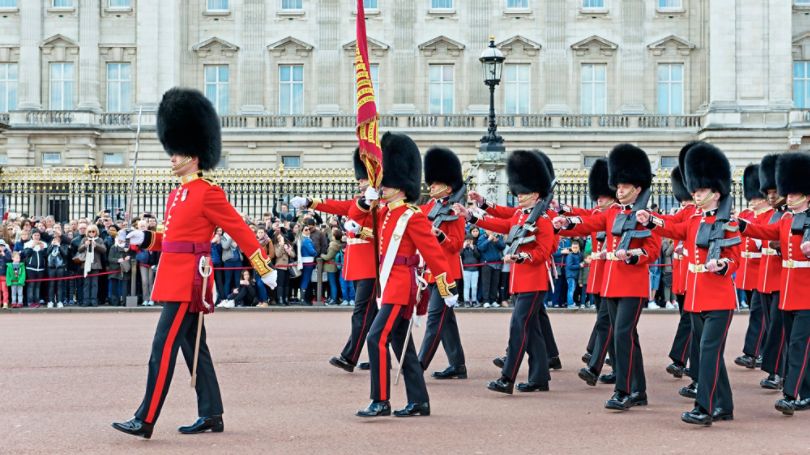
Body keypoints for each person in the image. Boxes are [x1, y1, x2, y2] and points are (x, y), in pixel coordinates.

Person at [112, 87, 277, 439]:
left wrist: (263, 265)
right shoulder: (178, 192)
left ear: (194, 155)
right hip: (174, 276)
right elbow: (172, 237)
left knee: (163, 347)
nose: (171, 157)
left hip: (189, 281)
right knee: (193, 347)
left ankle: (145, 418)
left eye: (177, 152)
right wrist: (146, 239)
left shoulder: (208, 191)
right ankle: (211, 413)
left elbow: (239, 229)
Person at [356, 132, 458, 418]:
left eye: (385, 181)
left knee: (375, 339)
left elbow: (434, 254)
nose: (381, 186)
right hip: (388, 285)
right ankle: (419, 401)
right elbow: (355, 216)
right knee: (403, 346)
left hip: (401, 287)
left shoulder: (412, 215)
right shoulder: (384, 212)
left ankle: (381, 400)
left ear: (400, 185)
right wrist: (366, 201)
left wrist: (446, 286)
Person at [638, 142, 739, 426]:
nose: (695, 194)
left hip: (719, 299)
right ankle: (725, 405)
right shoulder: (693, 218)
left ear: (716, 192)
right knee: (711, 355)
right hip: (695, 297)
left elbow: (735, 259)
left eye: (701, 190)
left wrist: (722, 265)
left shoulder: (727, 222)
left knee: (706, 354)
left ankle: (703, 408)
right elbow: (673, 228)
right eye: (694, 190)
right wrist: (651, 220)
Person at [554, 144, 661, 411]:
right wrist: (567, 224)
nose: (620, 190)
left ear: (638, 188)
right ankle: (639, 390)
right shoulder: (612, 212)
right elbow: (590, 223)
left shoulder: (648, 217)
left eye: (625, 187)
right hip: (612, 284)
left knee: (622, 335)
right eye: (619, 186)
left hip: (633, 285)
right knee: (626, 337)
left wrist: (633, 255)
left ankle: (623, 390)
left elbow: (652, 250)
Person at [456, 150, 555, 394]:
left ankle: (507, 377)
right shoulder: (520, 216)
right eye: (519, 192)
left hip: (534, 281)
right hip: (520, 281)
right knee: (532, 331)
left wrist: (521, 256)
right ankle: (539, 378)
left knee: (518, 327)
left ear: (537, 194)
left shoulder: (542, 220)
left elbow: (543, 252)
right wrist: (471, 216)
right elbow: (499, 223)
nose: (520, 197)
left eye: (526, 193)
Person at [291, 148, 378, 371]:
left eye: (364, 180)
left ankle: (350, 357)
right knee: (375, 317)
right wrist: (309, 202)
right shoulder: (360, 202)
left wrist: (361, 230)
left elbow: (382, 236)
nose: (360, 184)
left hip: (371, 266)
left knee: (362, 314)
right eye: (359, 180)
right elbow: (334, 205)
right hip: (358, 265)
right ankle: (382, 357)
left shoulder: (380, 205)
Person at [738, 152, 810, 416]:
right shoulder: (787, 219)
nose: (787, 197)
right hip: (789, 293)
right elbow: (768, 233)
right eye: (787, 194)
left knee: (799, 345)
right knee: (794, 344)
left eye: (792, 194)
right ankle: (807, 391)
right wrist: (743, 226)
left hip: (807, 294)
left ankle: (791, 395)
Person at [417, 146, 468, 380]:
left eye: (436, 184)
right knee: (446, 321)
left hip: (446, 274)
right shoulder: (427, 208)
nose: (431, 187)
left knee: (435, 317)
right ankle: (458, 365)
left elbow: (456, 245)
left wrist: (441, 236)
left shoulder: (454, 212)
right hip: (430, 272)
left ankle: (419, 365)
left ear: (448, 187)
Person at [755, 154, 788, 390]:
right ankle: (777, 370)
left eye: (775, 191)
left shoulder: (790, 214)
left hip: (784, 279)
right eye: (768, 192)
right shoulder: (773, 214)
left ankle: (778, 372)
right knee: (771, 326)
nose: (771, 196)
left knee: (779, 328)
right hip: (767, 278)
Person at [734, 164, 770, 370]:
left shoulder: (771, 215)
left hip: (761, 269)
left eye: (757, 197)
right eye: (752, 196)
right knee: (757, 313)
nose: (753, 200)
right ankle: (762, 351)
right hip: (746, 270)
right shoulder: (746, 215)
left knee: (758, 313)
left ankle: (751, 352)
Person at [78, 225, 107, 307]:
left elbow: (104, 250)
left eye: (93, 231)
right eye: (90, 231)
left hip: (95, 264)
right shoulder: (84, 239)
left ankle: (94, 300)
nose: (91, 233)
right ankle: (86, 301)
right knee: (86, 284)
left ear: (96, 232)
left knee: (94, 284)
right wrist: (85, 245)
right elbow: (79, 249)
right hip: (86, 264)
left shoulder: (99, 240)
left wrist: (96, 245)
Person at [477, 228, 504, 308]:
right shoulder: (482, 237)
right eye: (489, 230)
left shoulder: (498, 236)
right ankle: (486, 301)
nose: (491, 231)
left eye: (492, 230)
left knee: (495, 284)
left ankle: (493, 300)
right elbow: (480, 248)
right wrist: (488, 240)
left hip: (497, 264)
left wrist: (497, 241)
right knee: (486, 283)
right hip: (486, 264)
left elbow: (503, 246)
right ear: (485, 230)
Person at [22, 230, 48, 308]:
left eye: (38, 235)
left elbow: (45, 256)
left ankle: (37, 301)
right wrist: (32, 246)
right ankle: (30, 302)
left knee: (38, 286)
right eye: (35, 235)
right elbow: (26, 254)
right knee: (31, 285)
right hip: (30, 268)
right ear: (32, 236)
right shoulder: (27, 244)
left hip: (40, 269)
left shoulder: (44, 244)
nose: (36, 237)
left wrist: (42, 249)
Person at [46, 233, 70, 308]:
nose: (56, 240)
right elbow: (46, 253)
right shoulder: (50, 245)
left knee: (60, 285)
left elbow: (65, 254)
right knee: (51, 285)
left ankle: (60, 301)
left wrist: (59, 246)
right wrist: (52, 245)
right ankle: (51, 301)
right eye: (54, 239)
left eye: (58, 239)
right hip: (51, 267)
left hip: (60, 267)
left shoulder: (64, 246)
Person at [461, 234, 481, 307]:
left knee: (474, 286)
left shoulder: (475, 247)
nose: (469, 242)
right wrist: (463, 247)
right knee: (466, 286)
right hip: (466, 270)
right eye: (467, 240)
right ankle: (466, 301)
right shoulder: (463, 248)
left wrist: (473, 249)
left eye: (470, 240)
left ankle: (474, 300)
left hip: (475, 270)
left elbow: (478, 256)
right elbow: (460, 256)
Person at [565, 242, 583, 308]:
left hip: (574, 275)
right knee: (571, 289)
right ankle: (570, 304)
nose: (575, 249)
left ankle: (571, 303)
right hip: (571, 275)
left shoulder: (580, 254)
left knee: (572, 289)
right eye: (573, 248)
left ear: (579, 248)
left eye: (576, 248)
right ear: (571, 248)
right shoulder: (570, 255)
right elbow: (570, 266)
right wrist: (579, 265)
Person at [0, 241, 11, 308]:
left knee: (4, 289)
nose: (0, 247)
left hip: (4, 274)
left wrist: (3, 254)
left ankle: (5, 302)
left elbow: (9, 260)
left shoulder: (7, 252)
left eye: (2, 246)